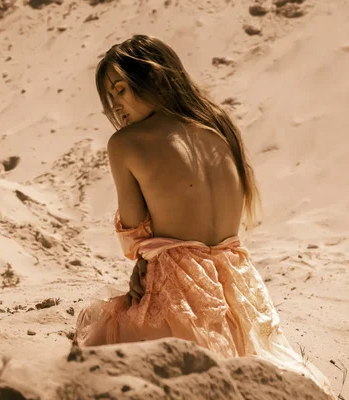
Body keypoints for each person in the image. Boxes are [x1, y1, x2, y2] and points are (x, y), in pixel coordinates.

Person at [74, 34, 335, 398]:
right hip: (238, 279)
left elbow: (134, 237)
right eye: (110, 97)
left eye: (121, 90)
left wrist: (145, 261)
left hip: (180, 285)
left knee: (98, 348)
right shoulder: (219, 126)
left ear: (157, 79)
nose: (116, 105)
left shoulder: (127, 143)